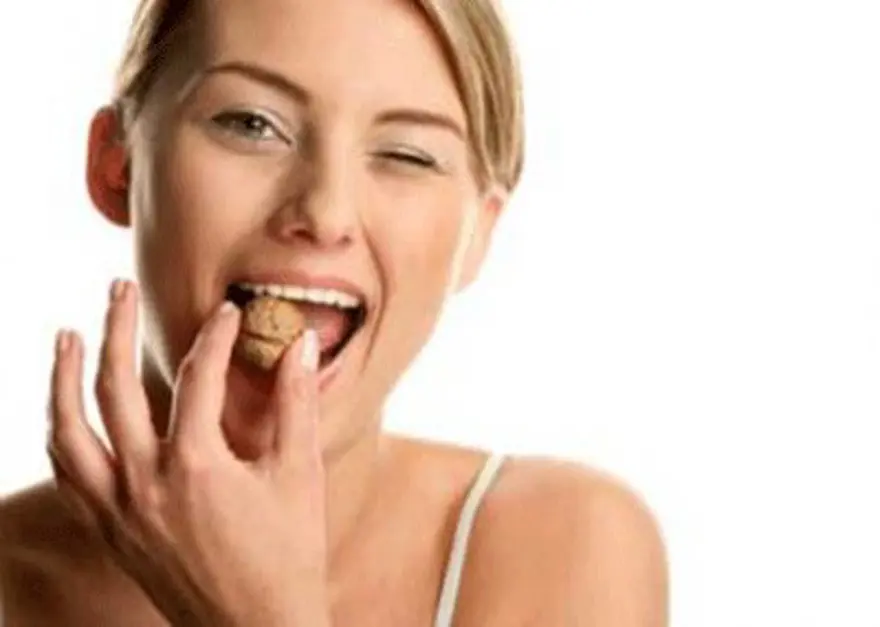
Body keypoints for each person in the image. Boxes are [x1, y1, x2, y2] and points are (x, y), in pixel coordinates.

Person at [0, 0, 668, 624]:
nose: (324, 212)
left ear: (479, 235)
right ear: (115, 165)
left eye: (406, 154)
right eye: (252, 124)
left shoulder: (566, 550)